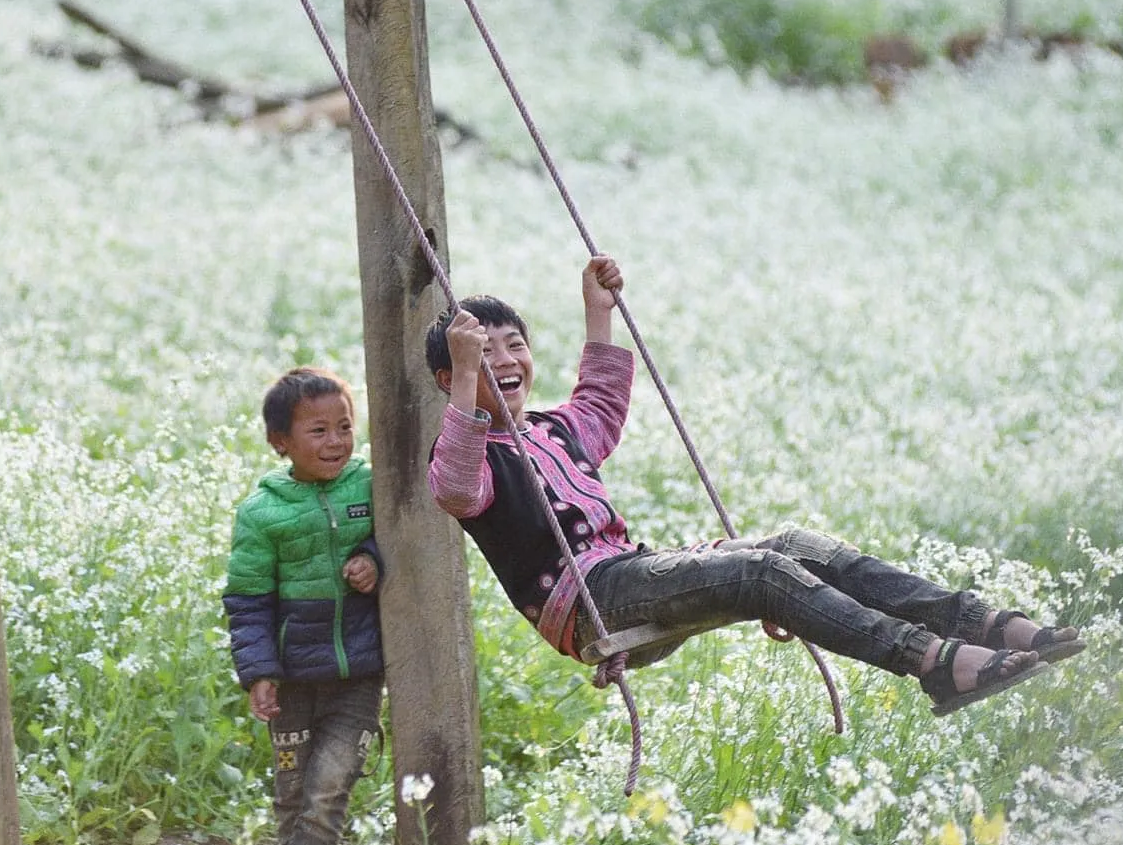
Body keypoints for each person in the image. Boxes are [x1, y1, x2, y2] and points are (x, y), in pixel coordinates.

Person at [424, 257, 1084, 716]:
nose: (506, 361)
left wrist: (597, 312)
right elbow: (454, 487)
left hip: (629, 570)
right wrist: (463, 376)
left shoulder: (554, 429)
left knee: (796, 546)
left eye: (515, 345)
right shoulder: (470, 453)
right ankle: (933, 662)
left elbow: (598, 400)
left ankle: (981, 625)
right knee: (763, 570)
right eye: (486, 355)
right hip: (590, 600)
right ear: (450, 375)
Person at [223, 367, 385, 845]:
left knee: (327, 793)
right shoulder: (262, 513)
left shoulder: (370, 486)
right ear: (280, 443)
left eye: (344, 426)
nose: (336, 441)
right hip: (292, 680)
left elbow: (401, 535)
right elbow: (247, 601)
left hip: (358, 675)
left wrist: (374, 561)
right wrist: (258, 672)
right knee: (294, 798)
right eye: (318, 431)